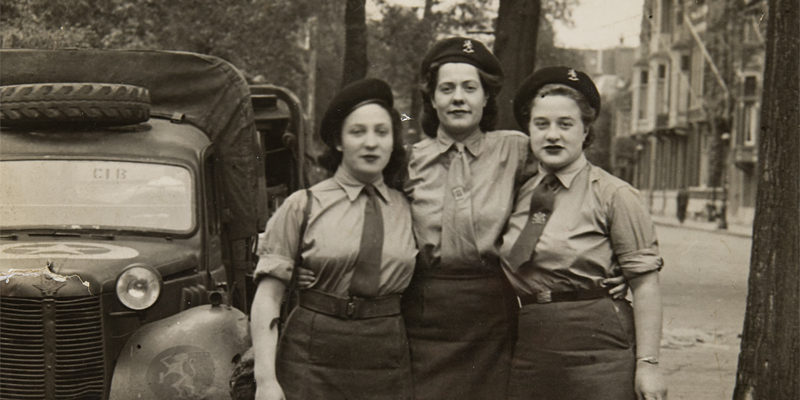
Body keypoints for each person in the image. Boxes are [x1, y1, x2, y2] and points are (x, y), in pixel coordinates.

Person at [402, 38, 627, 400]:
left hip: (493, 313)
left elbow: (572, 188)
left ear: (487, 97)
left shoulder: (517, 148)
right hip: (425, 312)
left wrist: (612, 263)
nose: (458, 97)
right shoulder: (406, 161)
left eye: (469, 88)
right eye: (446, 88)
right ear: (431, 98)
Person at [500, 66, 668, 400]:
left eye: (565, 124)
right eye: (541, 124)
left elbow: (645, 285)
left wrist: (648, 364)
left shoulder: (614, 194)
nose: (552, 135)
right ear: (528, 130)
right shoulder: (517, 192)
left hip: (599, 346)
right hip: (532, 343)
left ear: (585, 130)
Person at [250, 78, 417, 400]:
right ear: (338, 141)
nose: (371, 143)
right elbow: (268, 298)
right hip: (312, 350)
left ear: (394, 141)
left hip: (386, 352)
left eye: (382, 132)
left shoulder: (408, 208)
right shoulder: (303, 204)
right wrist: (266, 381)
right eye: (358, 132)